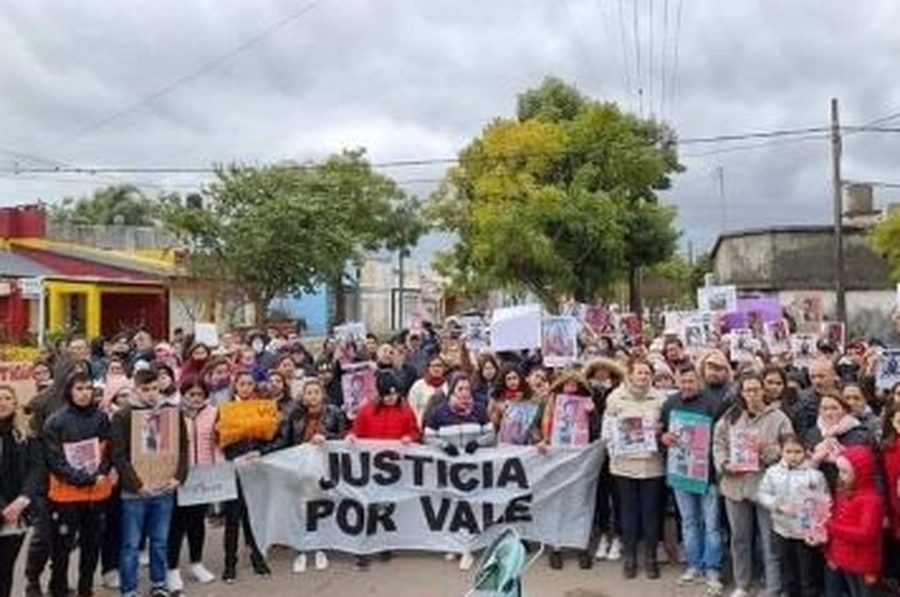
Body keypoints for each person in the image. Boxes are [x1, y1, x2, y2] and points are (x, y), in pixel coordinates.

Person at [713, 373, 793, 597]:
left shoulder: (779, 417)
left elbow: (789, 448)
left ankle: (773, 586)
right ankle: (742, 584)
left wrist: (765, 451)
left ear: (763, 391)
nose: (752, 394)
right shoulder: (731, 416)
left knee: (770, 540)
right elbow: (718, 443)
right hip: (735, 485)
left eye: (756, 389)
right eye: (747, 390)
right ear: (741, 392)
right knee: (740, 538)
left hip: (765, 487)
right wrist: (725, 464)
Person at [43, 371, 115, 597]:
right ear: (69, 391)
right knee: (62, 548)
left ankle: (86, 588)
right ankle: (59, 588)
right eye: (79, 389)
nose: (84, 394)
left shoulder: (101, 418)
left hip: (97, 495)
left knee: (92, 546)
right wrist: (85, 478)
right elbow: (55, 462)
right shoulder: (55, 421)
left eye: (88, 389)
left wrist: (101, 472)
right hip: (66, 497)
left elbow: (108, 451)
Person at [659, 364, 727, 594]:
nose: (687, 385)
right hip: (681, 473)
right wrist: (663, 437)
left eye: (691, 381)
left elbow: (722, 437)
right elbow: (660, 432)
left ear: (699, 381)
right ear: (677, 381)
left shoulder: (713, 404)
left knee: (711, 524)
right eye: (683, 381)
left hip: (707, 474)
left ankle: (712, 568)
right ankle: (694, 565)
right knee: (688, 522)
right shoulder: (670, 404)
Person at [601, 357, 667, 580]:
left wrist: (659, 431)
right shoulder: (615, 398)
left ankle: (650, 558)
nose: (643, 376)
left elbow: (667, 429)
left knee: (650, 513)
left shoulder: (660, 399)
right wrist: (615, 451)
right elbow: (606, 433)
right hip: (623, 466)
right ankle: (630, 557)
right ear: (629, 374)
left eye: (647, 373)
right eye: (639, 372)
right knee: (627, 513)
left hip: (652, 465)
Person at [347, 370, 420, 569]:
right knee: (368, 509)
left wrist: (410, 438)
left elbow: (415, 431)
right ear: (380, 394)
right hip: (370, 468)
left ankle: (384, 545)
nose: (391, 398)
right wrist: (352, 437)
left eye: (394, 395)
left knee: (386, 509)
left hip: (394, 469)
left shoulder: (405, 409)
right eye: (387, 395)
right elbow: (355, 431)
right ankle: (363, 550)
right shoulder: (366, 410)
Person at [274, 378, 348, 574]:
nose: (313, 396)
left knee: (320, 508)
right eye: (309, 393)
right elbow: (284, 442)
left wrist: (327, 438)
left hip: (325, 470)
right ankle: (302, 549)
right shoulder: (295, 415)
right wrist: (263, 453)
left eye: (316, 392)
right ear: (303, 396)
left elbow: (343, 436)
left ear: (322, 394)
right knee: (300, 509)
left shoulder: (334, 412)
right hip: (301, 469)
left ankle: (320, 547)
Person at [424, 372, 495, 571]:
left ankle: (467, 550)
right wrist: (443, 445)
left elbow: (491, 433)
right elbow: (428, 436)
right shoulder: (439, 412)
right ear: (452, 391)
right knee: (452, 508)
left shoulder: (479, 410)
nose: (465, 393)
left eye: (467, 389)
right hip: (450, 469)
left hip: (473, 471)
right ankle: (453, 545)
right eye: (460, 389)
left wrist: (477, 443)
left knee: (470, 508)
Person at [757, 433, 830, 597]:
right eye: (788, 451)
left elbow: (825, 502)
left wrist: (818, 526)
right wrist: (778, 506)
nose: (793, 456)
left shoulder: (815, 475)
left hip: (806, 534)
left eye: (797, 452)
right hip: (782, 530)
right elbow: (763, 494)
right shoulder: (772, 472)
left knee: (808, 575)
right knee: (788, 573)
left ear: (805, 452)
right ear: (781, 452)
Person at [166, 377, 219, 592]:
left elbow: (220, 441)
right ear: (183, 394)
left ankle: (197, 563)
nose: (196, 398)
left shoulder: (214, 413)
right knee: (176, 524)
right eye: (191, 394)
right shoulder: (172, 414)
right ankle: (172, 569)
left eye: (200, 394)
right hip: (179, 476)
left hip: (204, 476)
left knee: (198, 522)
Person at [824, 446, 883, 597]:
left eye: (845, 471)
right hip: (845, 558)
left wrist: (832, 527)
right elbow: (838, 519)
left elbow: (866, 534)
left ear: (860, 473)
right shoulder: (844, 491)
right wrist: (832, 555)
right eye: (840, 470)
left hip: (864, 562)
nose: (840, 475)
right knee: (853, 591)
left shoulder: (871, 500)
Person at [0, 385, 40, 597]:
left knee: (5, 569)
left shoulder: (25, 435)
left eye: (7, 398)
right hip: (3, 508)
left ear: (15, 403)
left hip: (17, 514)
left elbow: (36, 468)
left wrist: (22, 500)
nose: (2, 402)